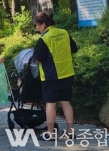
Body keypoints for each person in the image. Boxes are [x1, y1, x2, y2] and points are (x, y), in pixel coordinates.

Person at [32, 12, 78, 141]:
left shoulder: (44, 38)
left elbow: (37, 58)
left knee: (50, 104)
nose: (36, 28)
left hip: (51, 75)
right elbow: (74, 48)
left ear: (43, 24)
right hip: (67, 73)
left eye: (37, 25)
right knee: (66, 102)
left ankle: (50, 133)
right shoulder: (64, 32)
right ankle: (70, 132)